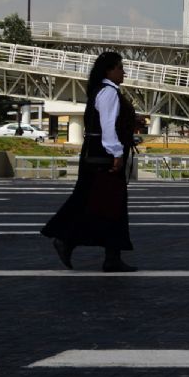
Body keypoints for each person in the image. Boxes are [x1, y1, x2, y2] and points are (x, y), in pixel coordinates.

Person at [41, 51, 137, 272]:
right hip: (103, 157)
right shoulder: (109, 92)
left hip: (94, 154)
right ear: (109, 71)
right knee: (106, 203)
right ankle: (73, 242)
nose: (123, 72)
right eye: (120, 68)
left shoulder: (101, 91)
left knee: (98, 201)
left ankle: (107, 254)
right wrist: (116, 153)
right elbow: (107, 125)